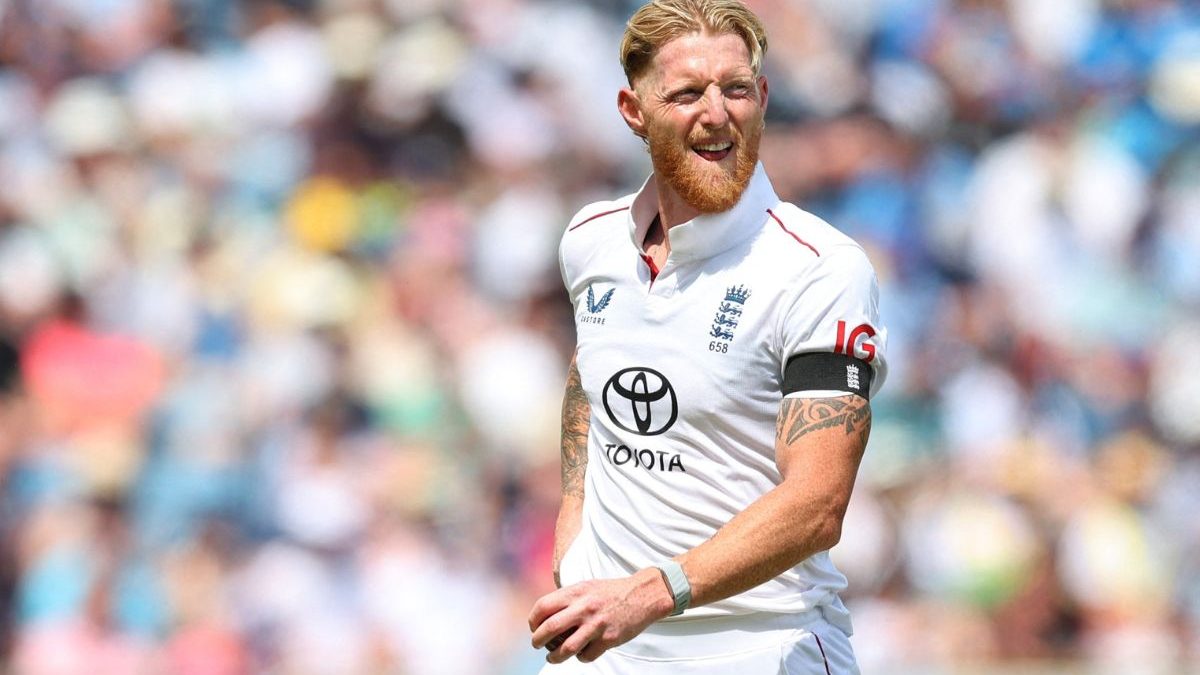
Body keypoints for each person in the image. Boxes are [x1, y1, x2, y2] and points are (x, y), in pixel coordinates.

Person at [527, 0, 887, 672]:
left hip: (762, 645)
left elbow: (818, 503)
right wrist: (572, 530)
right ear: (634, 111)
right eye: (688, 92)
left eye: (736, 89)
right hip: (611, 647)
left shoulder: (819, 269)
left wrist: (652, 591)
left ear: (764, 98)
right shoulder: (590, 241)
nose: (717, 113)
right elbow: (592, 372)